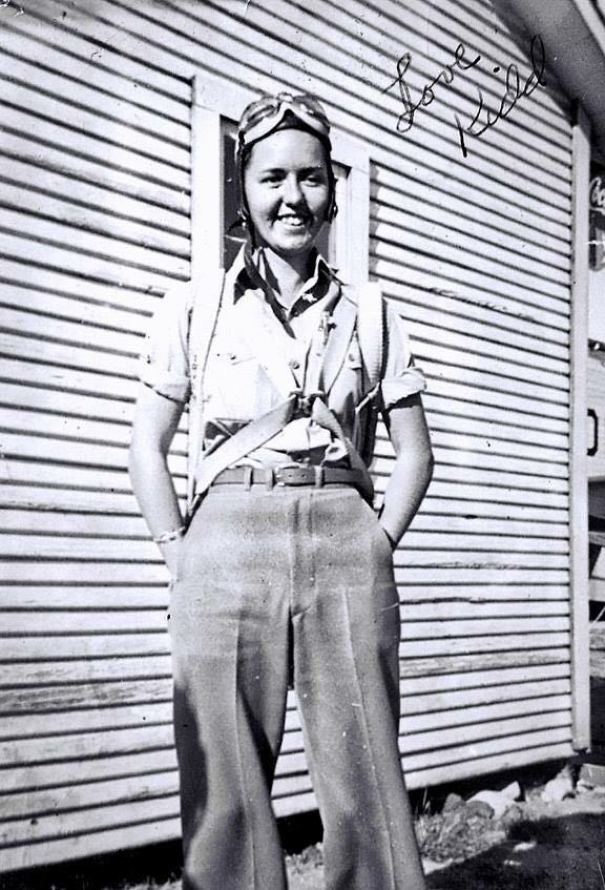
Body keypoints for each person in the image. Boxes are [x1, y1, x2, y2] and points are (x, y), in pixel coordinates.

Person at [129, 91, 433, 890]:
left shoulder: (372, 311)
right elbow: (146, 445)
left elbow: (413, 452)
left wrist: (376, 541)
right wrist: (178, 553)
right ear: (244, 187)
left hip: (344, 540)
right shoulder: (194, 305)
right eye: (272, 178)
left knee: (365, 775)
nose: (292, 197)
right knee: (224, 784)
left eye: (310, 177)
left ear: (332, 190)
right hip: (224, 543)